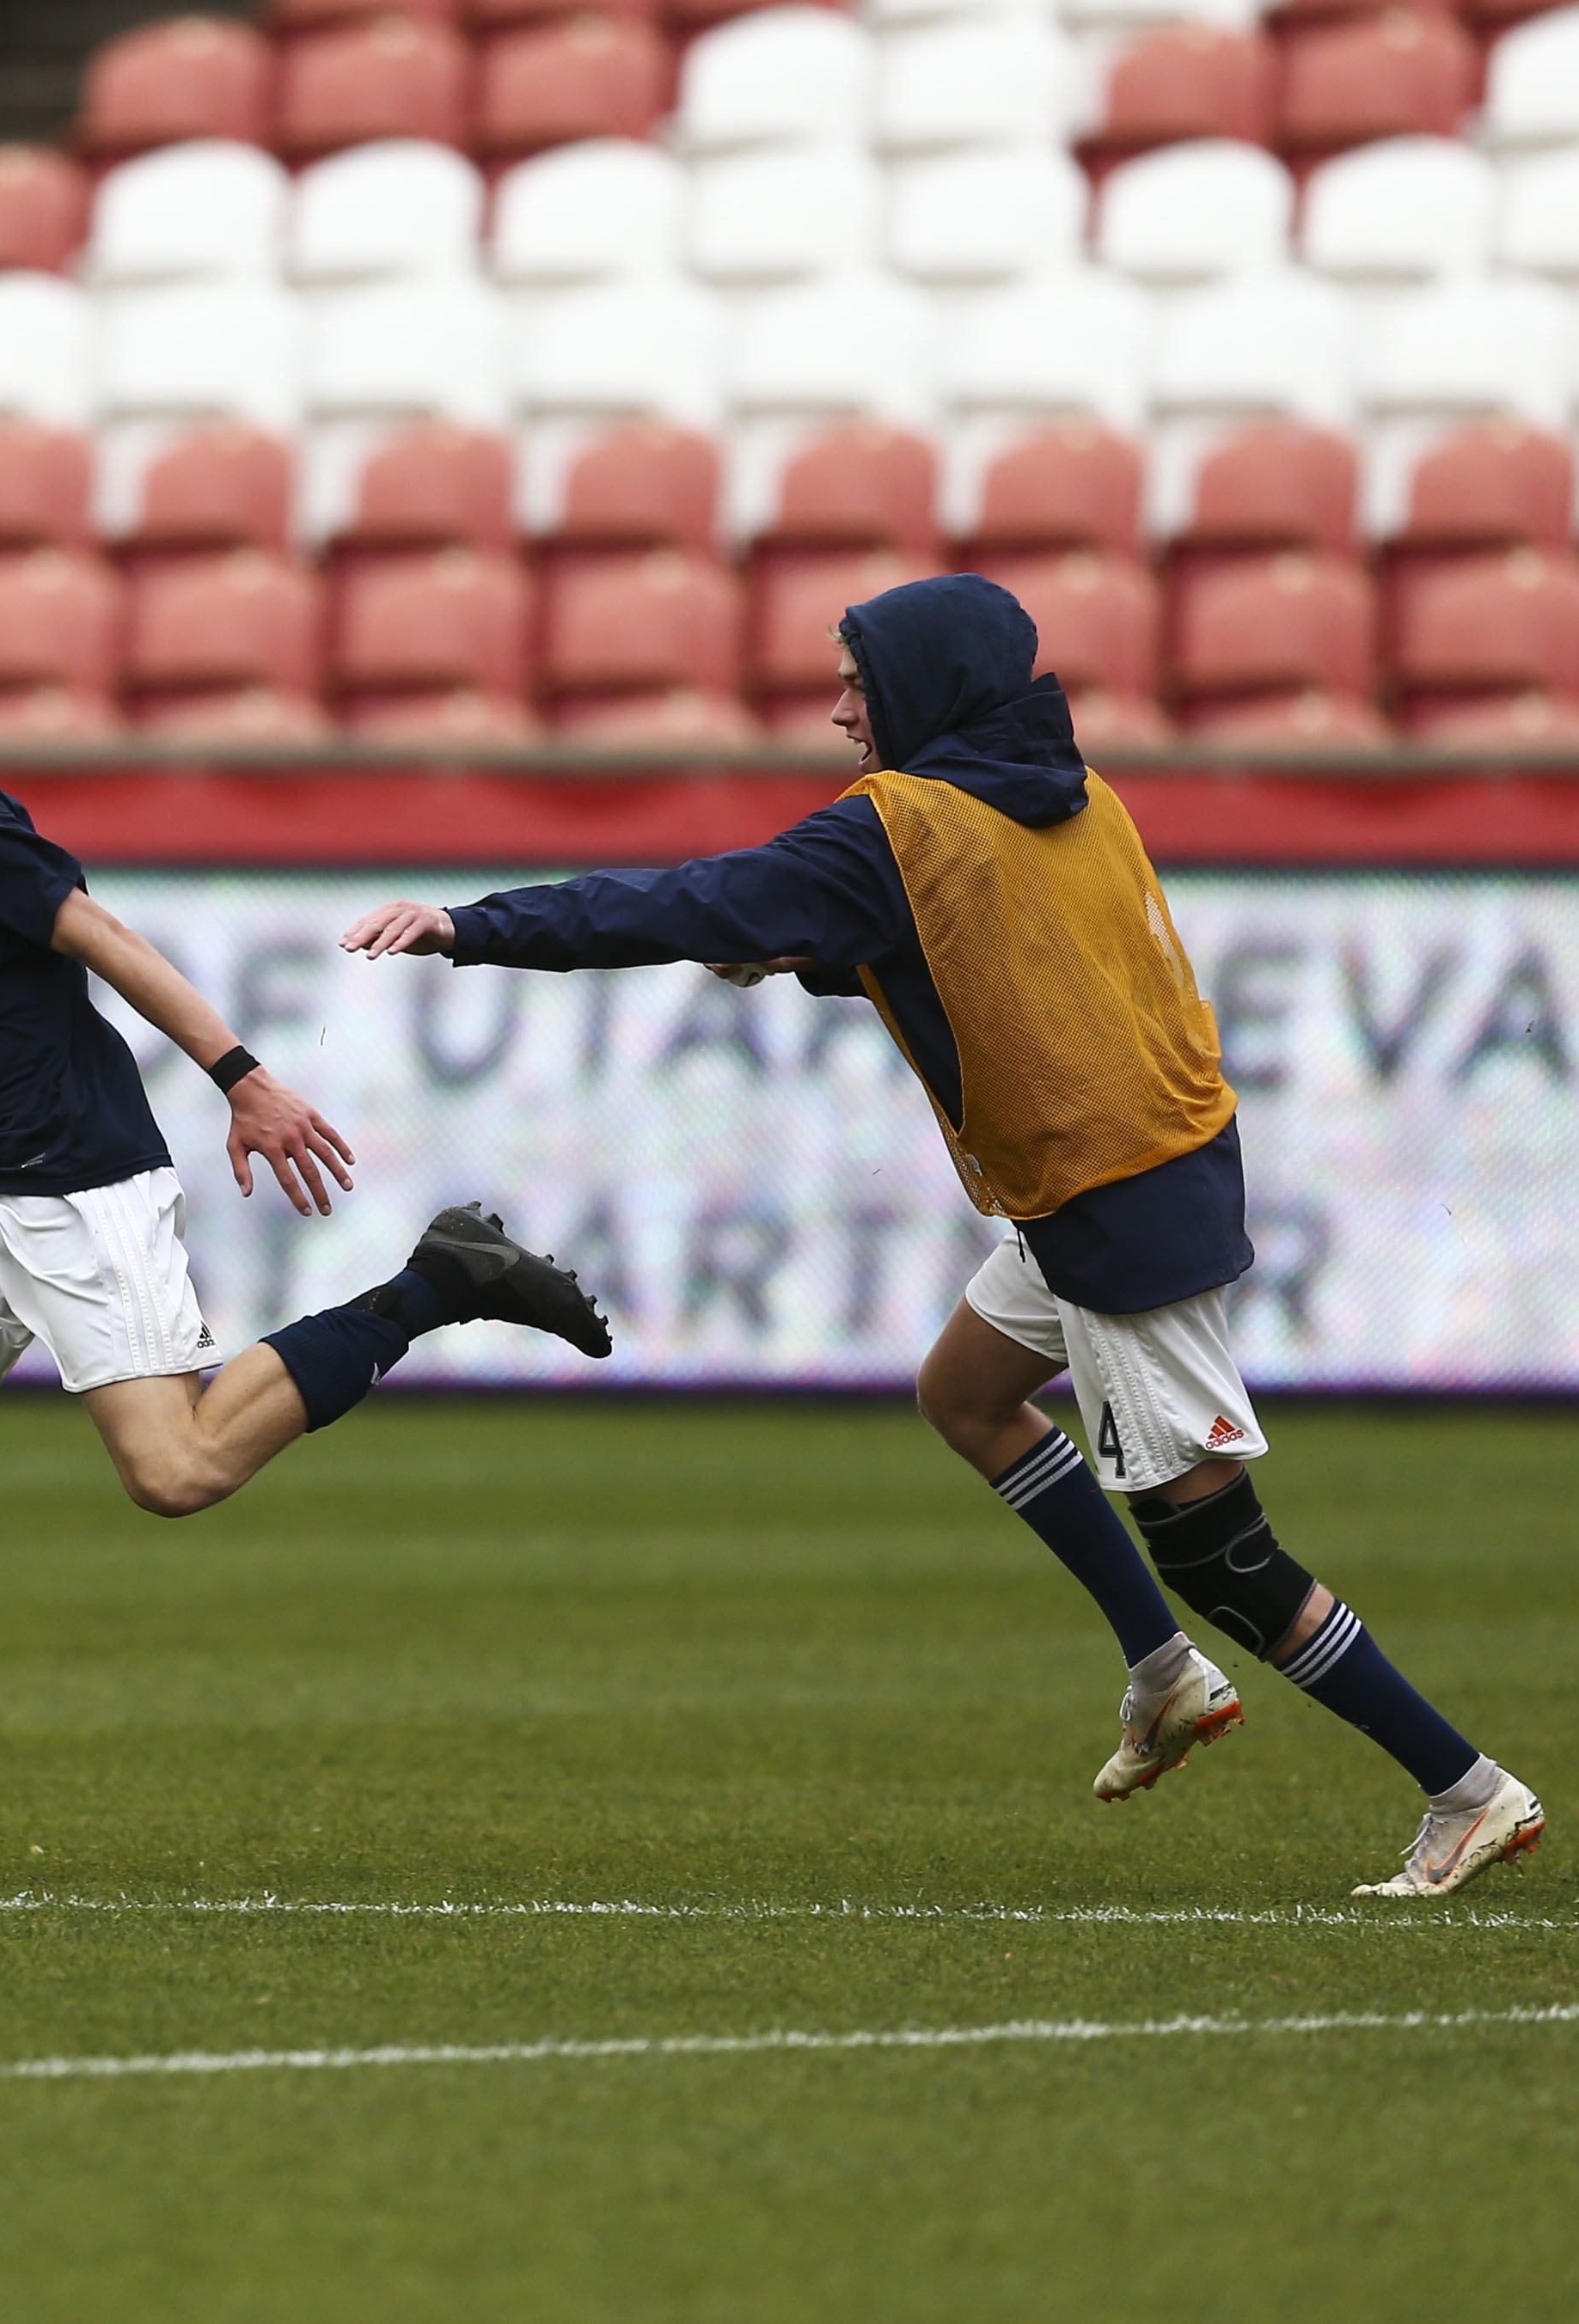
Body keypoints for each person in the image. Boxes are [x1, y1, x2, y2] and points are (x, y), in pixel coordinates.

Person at [344, 572, 1543, 1899]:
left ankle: (1465, 1790)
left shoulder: (896, 827)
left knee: (1226, 1556)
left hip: (1112, 1207)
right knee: (966, 1393)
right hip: (1145, 1166)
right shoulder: (1075, 795)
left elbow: (688, 901)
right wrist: (804, 948)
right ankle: (1162, 1673)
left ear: (924, 688)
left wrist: (468, 927)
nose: (840, 709)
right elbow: (968, 948)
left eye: (858, 681)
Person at [0, 548, 614, 1890]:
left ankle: (438, 1280)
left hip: (77, 1190)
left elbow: (94, 931)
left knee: (179, 1473)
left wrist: (243, 1079)